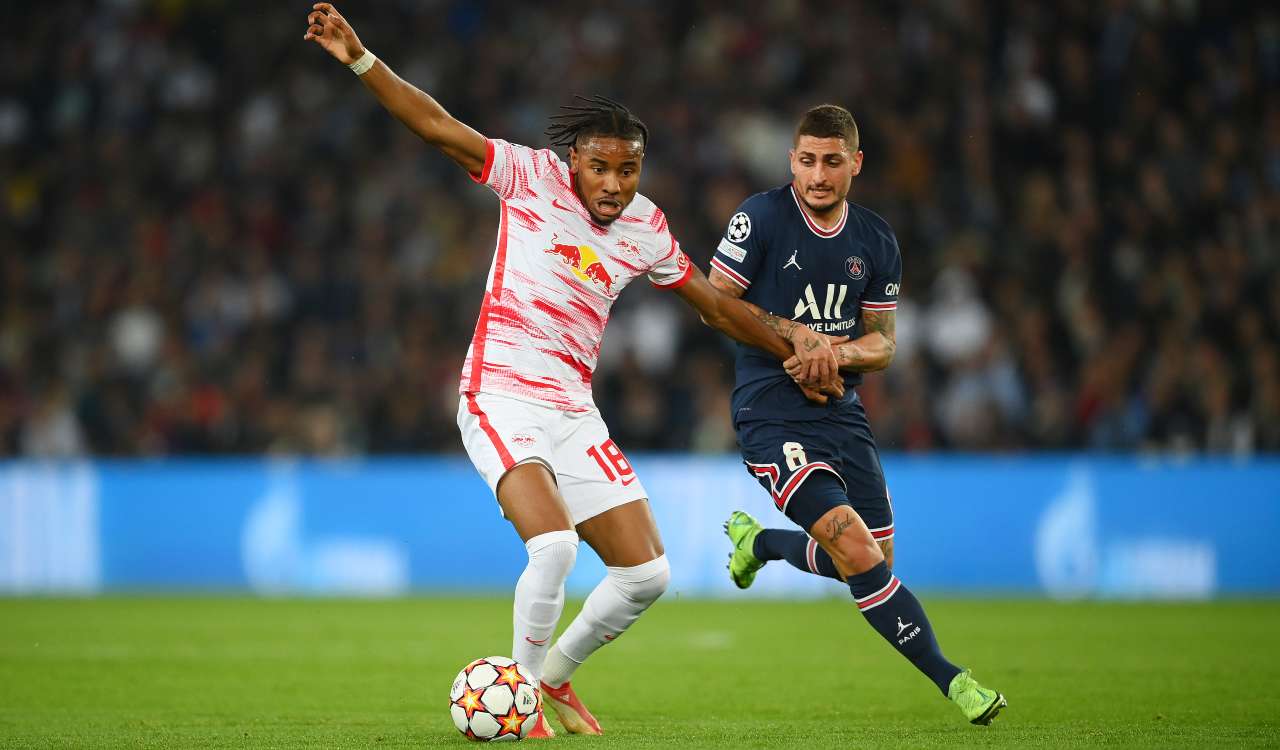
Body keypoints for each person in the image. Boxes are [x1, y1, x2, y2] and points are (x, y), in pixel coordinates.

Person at [303, 4, 846, 738]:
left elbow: (717, 308)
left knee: (647, 576)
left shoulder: (645, 228)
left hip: (571, 409)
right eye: (601, 166)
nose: (615, 183)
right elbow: (434, 125)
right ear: (573, 162)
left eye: (629, 168)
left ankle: (552, 679)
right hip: (499, 394)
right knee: (555, 546)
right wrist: (361, 58)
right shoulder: (527, 178)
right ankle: (519, 697)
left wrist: (794, 344)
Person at [707, 104, 1008, 726]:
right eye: (808, 160)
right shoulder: (758, 217)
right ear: (792, 160)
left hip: (841, 413)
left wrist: (833, 351)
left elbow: (884, 343)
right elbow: (714, 300)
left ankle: (757, 543)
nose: (819, 175)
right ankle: (956, 682)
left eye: (833, 162)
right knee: (850, 542)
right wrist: (796, 337)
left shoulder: (875, 239)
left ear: (856, 164)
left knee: (872, 560)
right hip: (770, 411)